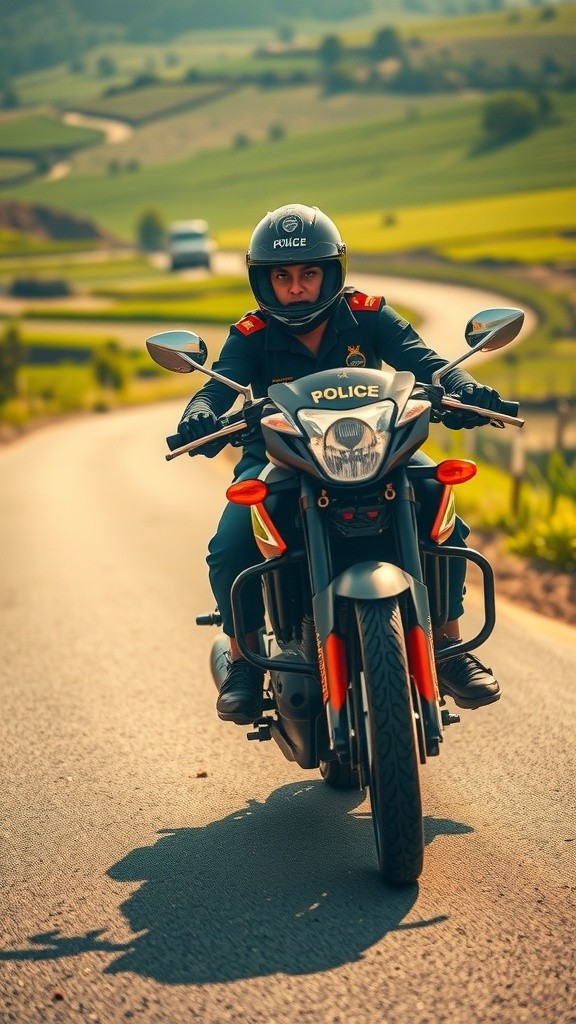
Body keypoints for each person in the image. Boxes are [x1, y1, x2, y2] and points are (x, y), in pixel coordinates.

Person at [176, 203, 507, 725]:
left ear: (332, 272)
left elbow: (424, 360)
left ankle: (449, 647)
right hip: (282, 460)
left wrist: (463, 388)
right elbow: (219, 384)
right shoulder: (250, 333)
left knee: (442, 511)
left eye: (309, 273)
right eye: (282, 276)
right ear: (264, 281)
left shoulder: (369, 314)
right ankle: (243, 659)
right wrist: (200, 414)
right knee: (232, 542)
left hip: (377, 452)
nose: (296, 287)